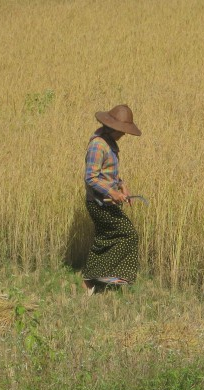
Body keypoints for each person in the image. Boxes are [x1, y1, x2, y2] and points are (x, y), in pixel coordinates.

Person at [82, 104, 142, 294]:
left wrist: (122, 185)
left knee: (104, 238)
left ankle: (91, 281)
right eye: (122, 132)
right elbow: (91, 177)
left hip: (106, 201)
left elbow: (108, 173)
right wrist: (112, 193)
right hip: (99, 203)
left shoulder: (109, 144)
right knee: (128, 234)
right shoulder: (97, 146)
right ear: (113, 128)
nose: (124, 135)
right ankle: (101, 276)